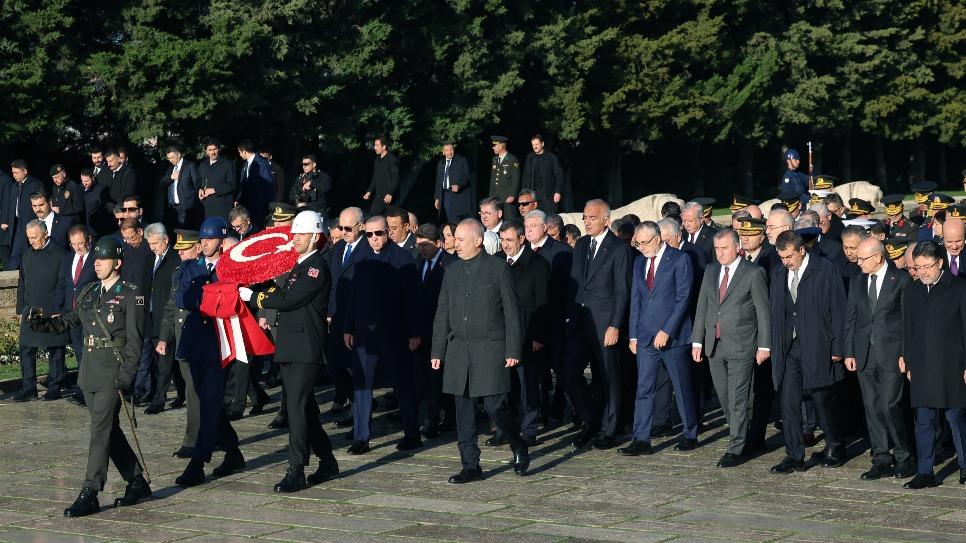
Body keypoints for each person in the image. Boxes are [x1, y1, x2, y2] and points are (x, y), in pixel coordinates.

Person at [26, 236, 150, 517]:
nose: (97, 263)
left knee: (98, 433)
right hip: (90, 373)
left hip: (113, 375)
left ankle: (90, 491)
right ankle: (137, 481)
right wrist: (43, 322)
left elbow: (135, 341)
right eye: (95, 259)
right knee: (109, 431)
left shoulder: (131, 294)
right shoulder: (90, 293)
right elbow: (69, 321)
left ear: (117, 263)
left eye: (103, 259)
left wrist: (127, 376)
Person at [243, 210, 339, 492]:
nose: (295, 238)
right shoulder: (298, 265)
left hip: (306, 348)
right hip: (290, 346)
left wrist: (254, 296)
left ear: (315, 237)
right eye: (294, 233)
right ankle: (327, 460)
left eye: (301, 234)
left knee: (296, 408)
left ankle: (296, 468)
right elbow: (281, 290)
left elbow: (288, 300)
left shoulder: (316, 267)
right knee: (306, 409)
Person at [431, 219, 530, 483]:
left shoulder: (498, 268)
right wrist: (437, 350)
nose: (456, 244)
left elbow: (512, 312)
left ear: (477, 241)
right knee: (463, 411)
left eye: (461, 240)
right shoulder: (451, 270)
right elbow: (442, 313)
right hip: (459, 350)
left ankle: (517, 444)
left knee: (496, 406)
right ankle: (470, 465)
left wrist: (513, 349)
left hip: (490, 349)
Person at [768, 230, 847, 474]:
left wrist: (837, 347)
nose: (786, 262)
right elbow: (776, 312)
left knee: (822, 398)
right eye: (782, 257)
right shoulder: (780, 272)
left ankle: (835, 444)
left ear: (802, 249)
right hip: (789, 347)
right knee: (789, 402)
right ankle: (794, 454)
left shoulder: (825, 269)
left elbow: (838, 309)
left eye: (789, 256)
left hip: (818, 344)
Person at [690, 229, 770, 467]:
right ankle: (744, 433)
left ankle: (735, 448)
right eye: (717, 248)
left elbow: (763, 313)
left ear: (738, 248)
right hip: (714, 345)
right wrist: (697, 340)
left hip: (742, 345)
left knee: (738, 398)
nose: (720, 253)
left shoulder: (754, 273)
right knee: (724, 396)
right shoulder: (711, 271)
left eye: (725, 248)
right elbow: (702, 306)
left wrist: (764, 345)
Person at [174, 217, 245, 486]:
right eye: (202, 239)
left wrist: (202, 295)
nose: (204, 243)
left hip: (219, 342)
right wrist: (211, 297)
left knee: (212, 402)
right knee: (207, 402)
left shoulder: (229, 268)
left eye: (210, 239)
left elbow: (233, 299)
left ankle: (197, 463)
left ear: (222, 240)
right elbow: (181, 298)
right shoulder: (191, 266)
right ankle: (233, 451)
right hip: (195, 341)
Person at [343, 215, 421, 454]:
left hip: (395, 331)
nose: (374, 239)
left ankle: (411, 433)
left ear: (388, 232)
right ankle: (361, 437)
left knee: (402, 382)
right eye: (369, 234)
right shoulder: (361, 257)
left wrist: (414, 332)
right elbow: (352, 295)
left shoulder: (402, 258)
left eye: (379, 233)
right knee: (362, 383)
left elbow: (413, 300)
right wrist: (348, 326)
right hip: (366, 332)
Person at [619, 221, 697, 456]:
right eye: (637, 243)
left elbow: (683, 297)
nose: (640, 247)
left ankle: (690, 433)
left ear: (656, 239)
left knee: (681, 387)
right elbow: (637, 300)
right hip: (644, 336)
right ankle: (641, 438)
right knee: (644, 388)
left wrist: (667, 330)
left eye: (643, 243)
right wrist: (633, 334)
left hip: (673, 337)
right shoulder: (639, 262)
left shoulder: (680, 259)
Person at [843, 237, 914, 480]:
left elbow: (908, 322)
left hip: (892, 353)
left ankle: (905, 456)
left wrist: (907, 353)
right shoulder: (857, 280)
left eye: (863, 258)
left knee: (889, 405)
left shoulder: (901, 280)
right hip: (864, 353)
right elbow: (850, 318)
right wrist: (849, 352)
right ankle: (881, 458)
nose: (858, 262)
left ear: (878, 257)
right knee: (871, 407)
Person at [564, 199, 631, 449]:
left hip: (605, 325)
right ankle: (591, 420)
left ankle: (610, 429)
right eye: (584, 217)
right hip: (580, 322)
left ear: (606, 220)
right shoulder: (581, 245)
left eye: (592, 217)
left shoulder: (618, 249)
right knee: (569, 373)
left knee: (608, 378)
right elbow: (576, 283)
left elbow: (623, 291)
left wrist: (615, 325)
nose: (587, 222)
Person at [902, 241, 966, 489]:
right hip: (922, 365)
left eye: (927, 266)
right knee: (924, 420)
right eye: (918, 267)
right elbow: (908, 329)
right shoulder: (913, 290)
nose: (922, 272)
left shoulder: (959, 288)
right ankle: (925, 472)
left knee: (955, 418)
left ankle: (964, 465)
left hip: (952, 365)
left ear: (940, 263)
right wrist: (907, 361)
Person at [495, 220, 550, 446]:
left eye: (509, 240)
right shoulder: (497, 262)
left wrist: (538, 335)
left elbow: (543, 302)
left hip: (528, 335)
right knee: (503, 386)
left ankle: (529, 429)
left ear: (521, 239)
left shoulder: (537, 264)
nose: (505, 245)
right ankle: (505, 429)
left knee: (527, 385)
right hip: (501, 335)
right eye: (502, 240)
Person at [524, 209, 573, 421]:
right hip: (531, 322)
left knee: (561, 369)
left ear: (545, 228)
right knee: (535, 372)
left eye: (533, 226)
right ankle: (540, 411)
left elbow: (570, 288)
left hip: (555, 321)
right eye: (526, 227)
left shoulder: (561, 251)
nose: (528, 231)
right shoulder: (522, 251)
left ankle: (568, 409)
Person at [157, 230, 202, 458]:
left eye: (186, 249)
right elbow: (170, 307)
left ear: (199, 247)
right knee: (196, 391)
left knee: (196, 392)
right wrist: (164, 337)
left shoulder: (206, 271)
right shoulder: (178, 273)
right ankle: (220, 440)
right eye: (179, 250)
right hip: (183, 339)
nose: (181, 253)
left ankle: (193, 441)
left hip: (201, 340)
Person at [325, 207, 371, 425]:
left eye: (347, 228)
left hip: (358, 317)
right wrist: (330, 312)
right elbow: (334, 283)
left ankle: (360, 411)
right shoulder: (339, 248)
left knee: (356, 367)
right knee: (334, 364)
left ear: (361, 226)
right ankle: (354, 401)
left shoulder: (367, 248)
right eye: (340, 227)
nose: (343, 232)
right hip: (337, 315)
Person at [15, 219, 69, 401]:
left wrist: (57, 309)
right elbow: (22, 282)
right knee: (26, 349)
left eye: (35, 237)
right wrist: (20, 310)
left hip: (51, 310)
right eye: (29, 238)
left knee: (55, 350)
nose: (31, 241)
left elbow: (63, 284)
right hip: (30, 309)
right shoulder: (27, 254)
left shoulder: (60, 254)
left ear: (45, 234)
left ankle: (55, 386)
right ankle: (29, 387)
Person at [413, 223, 457, 437]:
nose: (420, 249)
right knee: (430, 377)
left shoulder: (450, 263)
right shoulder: (418, 262)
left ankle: (437, 418)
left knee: (440, 377)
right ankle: (437, 416)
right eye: (418, 244)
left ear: (438, 243)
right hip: (423, 330)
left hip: (444, 330)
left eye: (425, 245)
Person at [142, 224, 180, 414]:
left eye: (155, 243)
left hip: (169, 318)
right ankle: (181, 394)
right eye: (149, 243)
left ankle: (159, 400)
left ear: (165, 240)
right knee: (167, 362)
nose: (152, 247)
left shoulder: (175, 259)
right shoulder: (151, 258)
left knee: (165, 362)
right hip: (153, 316)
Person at [8, 159, 45, 269]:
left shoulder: (36, 184)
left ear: (24, 171)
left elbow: (40, 205)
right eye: (13, 172)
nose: (13, 175)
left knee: (31, 254)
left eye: (16, 172)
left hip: (31, 224)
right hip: (16, 226)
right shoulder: (15, 186)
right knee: (14, 258)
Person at [158, 145, 201, 230]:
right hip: (172, 208)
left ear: (178, 154)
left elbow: (197, 184)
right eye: (168, 158)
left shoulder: (190, 166)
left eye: (172, 157)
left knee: (184, 233)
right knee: (173, 232)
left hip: (186, 207)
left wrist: (193, 204)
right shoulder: (170, 168)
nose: (170, 160)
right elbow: (161, 184)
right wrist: (171, 177)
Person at [236, 140, 275, 229]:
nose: (239, 155)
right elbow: (243, 184)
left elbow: (268, 184)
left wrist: (268, 205)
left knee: (258, 229)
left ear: (244, 151)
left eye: (239, 152)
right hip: (248, 205)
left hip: (259, 205)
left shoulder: (261, 163)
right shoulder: (245, 165)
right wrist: (239, 198)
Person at [197, 138, 237, 221]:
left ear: (219, 149)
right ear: (206, 151)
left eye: (215, 149)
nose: (213, 152)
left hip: (223, 208)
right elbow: (198, 181)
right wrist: (199, 189)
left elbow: (232, 184)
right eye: (210, 150)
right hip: (207, 207)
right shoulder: (202, 165)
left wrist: (214, 190)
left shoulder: (228, 164)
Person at [522, 134, 563, 210]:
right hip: (532, 194)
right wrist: (524, 193)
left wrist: (558, 192)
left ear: (542, 144)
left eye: (537, 144)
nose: (535, 147)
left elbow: (558, 175)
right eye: (533, 145)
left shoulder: (551, 158)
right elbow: (525, 176)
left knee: (549, 217)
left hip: (548, 194)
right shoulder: (530, 157)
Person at [434, 143, 473, 223]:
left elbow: (466, 176)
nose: (449, 152)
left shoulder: (461, 160)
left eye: (451, 150)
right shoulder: (441, 164)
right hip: (445, 195)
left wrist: (458, 185)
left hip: (458, 195)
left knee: (458, 219)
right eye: (447, 150)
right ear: (443, 152)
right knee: (448, 219)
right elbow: (438, 181)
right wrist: (437, 198)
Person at [362, 136, 399, 216]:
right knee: (372, 218)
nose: (375, 147)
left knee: (392, 221)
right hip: (378, 197)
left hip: (390, 199)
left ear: (384, 146)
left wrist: (390, 193)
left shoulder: (392, 159)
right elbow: (375, 177)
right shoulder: (377, 160)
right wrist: (369, 191)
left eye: (377, 145)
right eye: (374, 145)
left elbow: (396, 177)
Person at [80, 169, 113, 237]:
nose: (84, 183)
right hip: (83, 229)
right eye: (82, 181)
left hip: (95, 231)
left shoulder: (100, 190)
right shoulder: (79, 188)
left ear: (93, 178)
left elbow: (110, 205)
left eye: (87, 181)